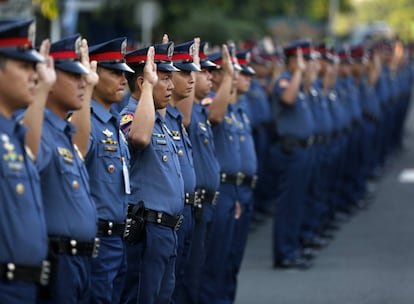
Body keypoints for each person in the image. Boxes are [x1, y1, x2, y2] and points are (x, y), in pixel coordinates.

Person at [25, 34, 99, 303]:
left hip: (80, 261)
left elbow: (81, 147)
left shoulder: (63, 131)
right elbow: (30, 156)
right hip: (59, 262)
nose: (83, 81)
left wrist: (89, 88)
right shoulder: (37, 127)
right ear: (51, 77)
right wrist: (41, 89)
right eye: (74, 75)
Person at [119, 42, 184, 304]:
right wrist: (149, 86)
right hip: (149, 230)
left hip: (168, 230)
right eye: (164, 79)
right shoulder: (128, 117)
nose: (171, 85)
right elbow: (140, 138)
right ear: (142, 82)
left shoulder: (163, 122)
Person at [70, 37, 134, 303]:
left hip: (119, 239)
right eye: (115, 72)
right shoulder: (85, 120)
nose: (123, 79)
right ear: (94, 73)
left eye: (124, 73)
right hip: (98, 239)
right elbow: (80, 149)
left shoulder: (114, 122)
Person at [0, 18, 55, 304]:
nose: (34, 75)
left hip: (26, 285)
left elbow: (35, 154)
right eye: (24, 67)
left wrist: (44, 88)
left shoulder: (15, 133)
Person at [179, 40, 222, 304]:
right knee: (186, 280)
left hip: (207, 204)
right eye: (198, 70)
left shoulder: (201, 110)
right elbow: (183, 120)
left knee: (198, 275)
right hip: (192, 207)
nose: (209, 76)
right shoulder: (185, 113)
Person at [270, 40, 316, 269]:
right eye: (303, 60)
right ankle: (284, 253)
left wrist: (305, 73)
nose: (307, 64)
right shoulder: (286, 81)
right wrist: (297, 71)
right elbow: (287, 99)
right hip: (290, 150)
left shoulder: (301, 84)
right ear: (291, 61)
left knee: (297, 203)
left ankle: (293, 248)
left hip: (303, 150)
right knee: (288, 205)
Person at [167, 39, 201, 304]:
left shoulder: (177, 117)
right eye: (184, 73)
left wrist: (193, 63)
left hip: (187, 211)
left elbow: (186, 116)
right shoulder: (155, 115)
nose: (192, 79)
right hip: (167, 217)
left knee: (184, 281)